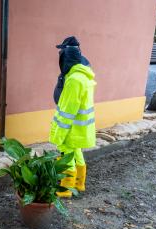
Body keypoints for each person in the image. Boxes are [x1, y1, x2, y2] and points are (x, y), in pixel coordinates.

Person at [49, 36, 97, 198]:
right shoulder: (84, 76)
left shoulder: (74, 80)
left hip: (70, 128)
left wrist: (58, 135)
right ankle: (79, 183)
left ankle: (65, 189)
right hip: (81, 128)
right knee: (77, 153)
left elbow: (67, 111)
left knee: (67, 155)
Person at [53, 36, 91, 105]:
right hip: (71, 107)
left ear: (67, 51)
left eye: (62, 49)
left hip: (70, 108)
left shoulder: (73, 66)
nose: (60, 51)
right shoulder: (83, 62)